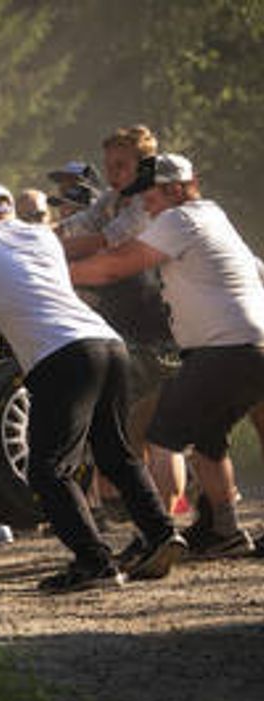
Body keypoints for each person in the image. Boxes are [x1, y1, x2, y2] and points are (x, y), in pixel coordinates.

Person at [0, 182, 184, 593]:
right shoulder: (41, 236)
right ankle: (161, 533)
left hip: (62, 355)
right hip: (107, 344)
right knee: (115, 452)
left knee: (49, 469)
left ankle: (94, 563)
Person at [70, 153, 264, 559]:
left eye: (150, 195)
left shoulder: (180, 219)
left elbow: (115, 267)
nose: (145, 203)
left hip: (223, 349)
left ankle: (156, 535)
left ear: (175, 189)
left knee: (162, 435)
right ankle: (224, 530)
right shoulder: (213, 215)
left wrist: (52, 273)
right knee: (208, 439)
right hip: (248, 346)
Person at [57, 124, 187, 516]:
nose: (112, 174)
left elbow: (107, 240)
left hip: (156, 324)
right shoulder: (115, 198)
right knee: (134, 427)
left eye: (121, 166)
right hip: (127, 323)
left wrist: (45, 249)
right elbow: (80, 223)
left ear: (143, 167)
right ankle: (146, 512)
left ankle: (165, 516)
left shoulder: (145, 207)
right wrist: (39, 235)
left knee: (159, 432)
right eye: (109, 165)